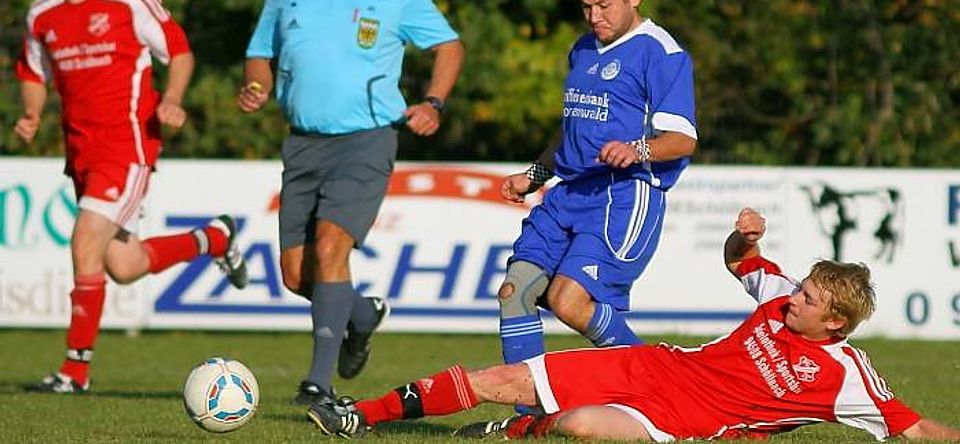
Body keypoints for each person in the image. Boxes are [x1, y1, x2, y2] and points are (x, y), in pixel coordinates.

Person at [306, 207, 960, 441]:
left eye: (809, 300)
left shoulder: (845, 376)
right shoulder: (781, 297)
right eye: (801, 290)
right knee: (501, 379)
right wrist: (743, 239)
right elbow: (741, 262)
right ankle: (360, 416)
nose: (795, 300)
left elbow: (913, 427)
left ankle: (514, 431)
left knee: (579, 427)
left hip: (680, 422)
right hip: (653, 366)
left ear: (835, 321)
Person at [236, 0, 465, 405]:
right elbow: (259, 52)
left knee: (330, 248)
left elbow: (449, 47)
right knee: (296, 276)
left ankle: (317, 384)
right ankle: (361, 314)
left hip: (367, 139)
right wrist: (256, 85)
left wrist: (433, 102)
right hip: (302, 143)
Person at [13, 0, 247, 394]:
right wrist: (32, 113)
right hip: (80, 153)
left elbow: (179, 51)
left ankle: (74, 372)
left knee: (84, 242)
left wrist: (174, 99)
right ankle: (214, 239)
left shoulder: (128, 1)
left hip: (127, 145)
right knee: (123, 265)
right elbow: (34, 72)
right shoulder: (42, 14)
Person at [497, 0, 698, 368]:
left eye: (604, 5)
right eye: (586, 7)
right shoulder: (583, 49)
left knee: (567, 301)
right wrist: (534, 175)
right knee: (514, 292)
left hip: (622, 196)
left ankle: (655, 377)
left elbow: (683, 140)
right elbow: (572, 130)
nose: (594, 17)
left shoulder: (661, 53)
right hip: (568, 194)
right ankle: (529, 402)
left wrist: (637, 149)